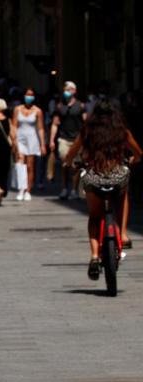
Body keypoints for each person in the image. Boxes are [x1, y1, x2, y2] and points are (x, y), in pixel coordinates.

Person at [63, 99, 142, 280]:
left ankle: (94, 256)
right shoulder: (121, 132)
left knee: (94, 216)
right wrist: (133, 160)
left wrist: (70, 164)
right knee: (123, 196)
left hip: (94, 177)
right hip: (117, 175)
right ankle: (122, 234)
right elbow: (138, 153)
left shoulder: (87, 131)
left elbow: (70, 154)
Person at [50, 81, 87, 201]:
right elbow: (55, 124)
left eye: (69, 89)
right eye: (65, 89)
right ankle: (64, 188)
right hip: (63, 139)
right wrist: (51, 140)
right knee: (64, 163)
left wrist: (87, 139)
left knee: (75, 166)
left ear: (74, 91)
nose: (67, 91)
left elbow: (86, 123)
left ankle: (73, 190)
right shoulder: (60, 106)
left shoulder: (81, 106)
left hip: (77, 140)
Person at [10, 88, 46, 201]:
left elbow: (40, 128)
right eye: (27, 94)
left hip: (32, 139)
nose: (29, 97)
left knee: (30, 166)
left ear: (34, 97)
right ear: (24, 95)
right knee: (20, 163)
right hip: (20, 138)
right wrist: (13, 140)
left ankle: (28, 190)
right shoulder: (17, 109)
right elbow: (14, 125)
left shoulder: (38, 111)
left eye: (31, 95)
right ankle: (21, 188)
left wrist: (42, 144)